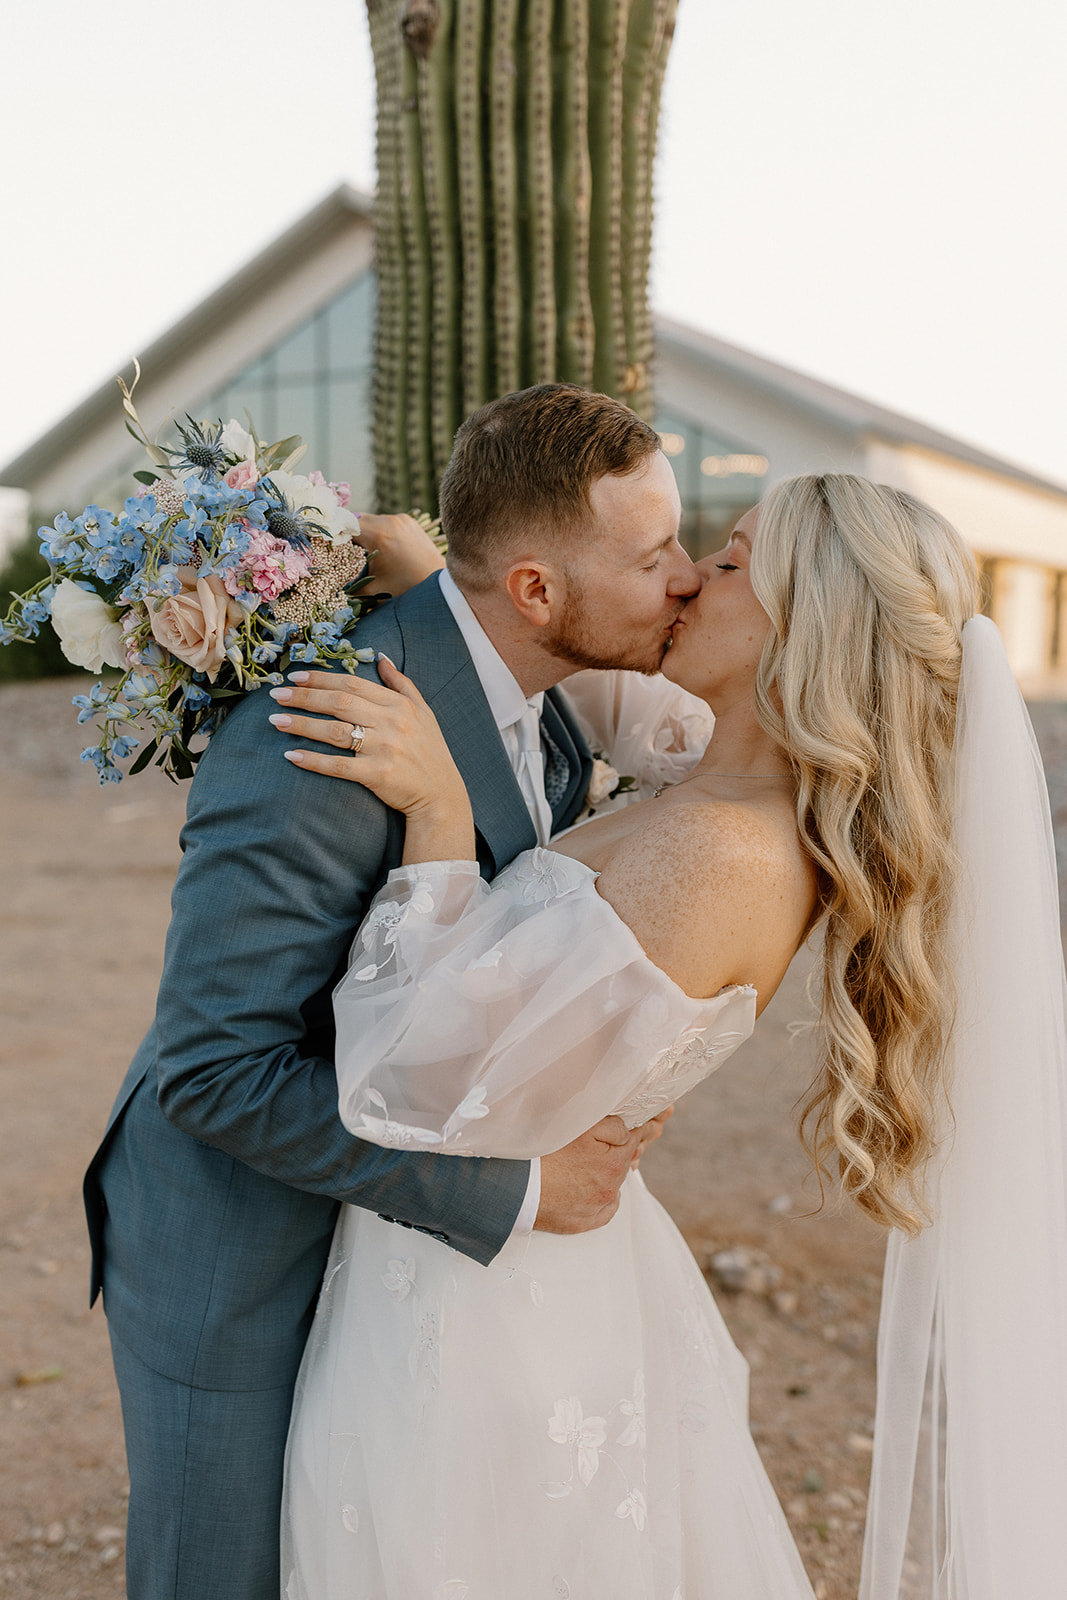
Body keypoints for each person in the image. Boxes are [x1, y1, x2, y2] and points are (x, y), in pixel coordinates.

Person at [273, 473, 1067, 1598]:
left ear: (807, 626)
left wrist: (439, 818)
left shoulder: (723, 855)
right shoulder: (712, 778)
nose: (690, 575)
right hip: (503, 1284)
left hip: (486, 1325)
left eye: (732, 560)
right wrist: (446, 589)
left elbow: (406, 1080)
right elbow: (576, 698)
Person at [83, 384, 700, 1600]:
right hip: (241, 1255)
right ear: (533, 590)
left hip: (382, 1264)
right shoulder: (315, 732)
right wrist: (515, 1185)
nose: (681, 577)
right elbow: (215, 1071)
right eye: (653, 554)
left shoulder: (549, 704)